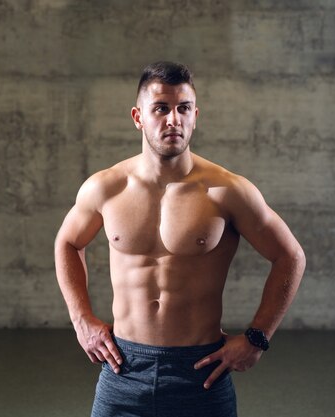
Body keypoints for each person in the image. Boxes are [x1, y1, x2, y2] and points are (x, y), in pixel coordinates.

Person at [55, 61, 306, 417]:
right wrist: (82, 321)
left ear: (195, 114)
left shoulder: (227, 191)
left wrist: (257, 338)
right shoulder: (107, 187)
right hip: (123, 369)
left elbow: (290, 256)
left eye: (183, 108)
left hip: (201, 373)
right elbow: (67, 242)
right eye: (160, 108)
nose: (173, 119)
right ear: (138, 116)